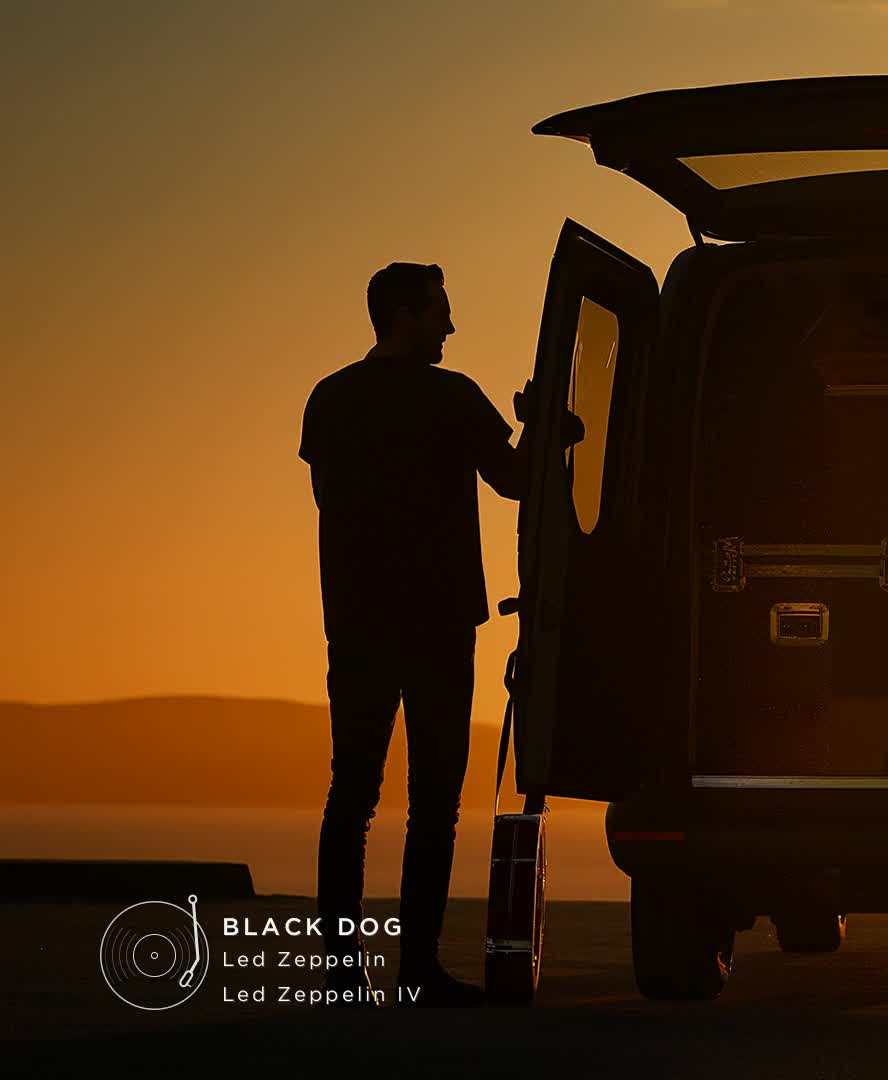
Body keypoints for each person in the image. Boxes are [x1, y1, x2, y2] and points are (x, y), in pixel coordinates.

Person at [299, 262, 551, 1006]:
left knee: (352, 796)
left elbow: (327, 498)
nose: (450, 325)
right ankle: (418, 968)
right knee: (433, 804)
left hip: (357, 621)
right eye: (440, 311)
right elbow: (515, 482)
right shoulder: (452, 397)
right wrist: (545, 428)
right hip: (440, 622)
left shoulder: (332, 398)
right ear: (405, 314)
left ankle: (342, 974)